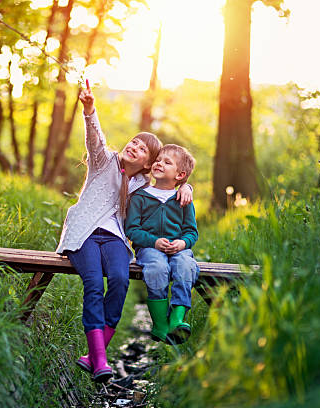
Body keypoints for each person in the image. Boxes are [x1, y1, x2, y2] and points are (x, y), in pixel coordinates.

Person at [56, 82, 193, 382]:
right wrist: (89, 109)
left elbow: (168, 185)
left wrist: (188, 187)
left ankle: (94, 355)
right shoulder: (104, 161)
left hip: (116, 239)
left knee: (119, 280)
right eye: (134, 142)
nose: (134, 147)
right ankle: (101, 360)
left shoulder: (143, 185)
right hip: (86, 235)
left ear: (148, 163)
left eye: (143, 149)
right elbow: (95, 138)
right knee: (94, 283)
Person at [124, 144, 199, 345]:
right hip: (149, 249)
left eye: (167, 162)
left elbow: (192, 232)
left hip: (179, 249)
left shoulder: (183, 198)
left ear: (180, 175)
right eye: (158, 160)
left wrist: (183, 243)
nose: (159, 163)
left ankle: (177, 319)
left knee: (185, 265)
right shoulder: (140, 196)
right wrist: (153, 242)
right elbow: (131, 229)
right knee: (157, 267)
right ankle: (159, 324)